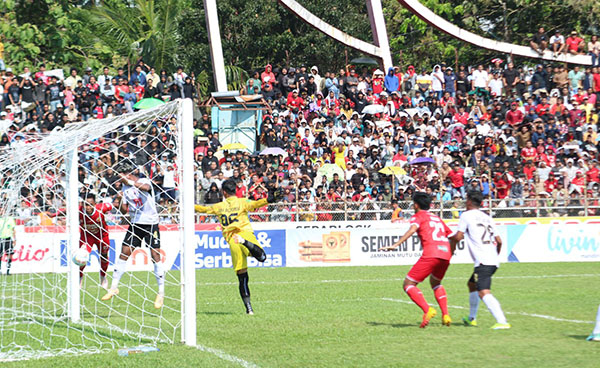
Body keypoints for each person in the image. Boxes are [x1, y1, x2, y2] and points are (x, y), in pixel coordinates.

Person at [194, 179, 283, 314]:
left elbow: (204, 209)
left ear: (224, 192)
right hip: (245, 234)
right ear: (235, 190)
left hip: (232, 241)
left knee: (242, 277)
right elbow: (255, 204)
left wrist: (190, 205)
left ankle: (249, 309)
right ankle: (245, 242)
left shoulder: (218, 206)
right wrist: (269, 200)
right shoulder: (242, 202)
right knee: (262, 257)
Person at [379, 192, 453, 328]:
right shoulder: (436, 218)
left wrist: (395, 245)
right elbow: (452, 235)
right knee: (436, 282)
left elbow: (413, 229)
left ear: (416, 205)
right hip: (445, 254)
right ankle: (446, 315)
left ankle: (427, 309)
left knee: (408, 284)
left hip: (431, 253)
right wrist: (450, 253)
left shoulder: (418, 216)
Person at [101, 159, 165, 309]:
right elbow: (124, 212)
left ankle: (161, 292)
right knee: (124, 253)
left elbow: (147, 188)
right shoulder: (124, 188)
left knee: (155, 255)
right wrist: (120, 200)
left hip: (150, 224)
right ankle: (114, 287)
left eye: (120, 175)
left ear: (127, 174)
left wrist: (130, 183)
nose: (118, 178)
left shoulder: (142, 180)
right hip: (135, 224)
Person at [448, 190, 511, 330]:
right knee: (472, 284)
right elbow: (499, 241)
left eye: (466, 199)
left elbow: (458, 237)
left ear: (469, 201)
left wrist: (449, 238)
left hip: (483, 261)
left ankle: (502, 321)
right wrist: (495, 255)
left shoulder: (466, 215)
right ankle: (471, 318)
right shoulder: (487, 217)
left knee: (483, 291)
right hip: (492, 259)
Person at [79, 195, 112, 289]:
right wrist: (52, 215)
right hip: (87, 237)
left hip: (102, 236)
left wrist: (120, 199)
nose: (88, 207)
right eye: (86, 205)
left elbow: (115, 205)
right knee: (81, 257)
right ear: (82, 204)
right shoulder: (79, 210)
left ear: (95, 204)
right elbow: (65, 211)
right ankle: (79, 277)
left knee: (104, 256)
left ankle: (103, 276)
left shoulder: (102, 208)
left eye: (90, 205)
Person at [0, 207, 16, 275]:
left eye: (2, 210)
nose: (1, 212)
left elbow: (13, 230)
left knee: (10, 254)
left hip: (8, 238)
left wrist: (15, 239)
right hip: (0, 238)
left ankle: (8, 270)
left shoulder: (10, 219)